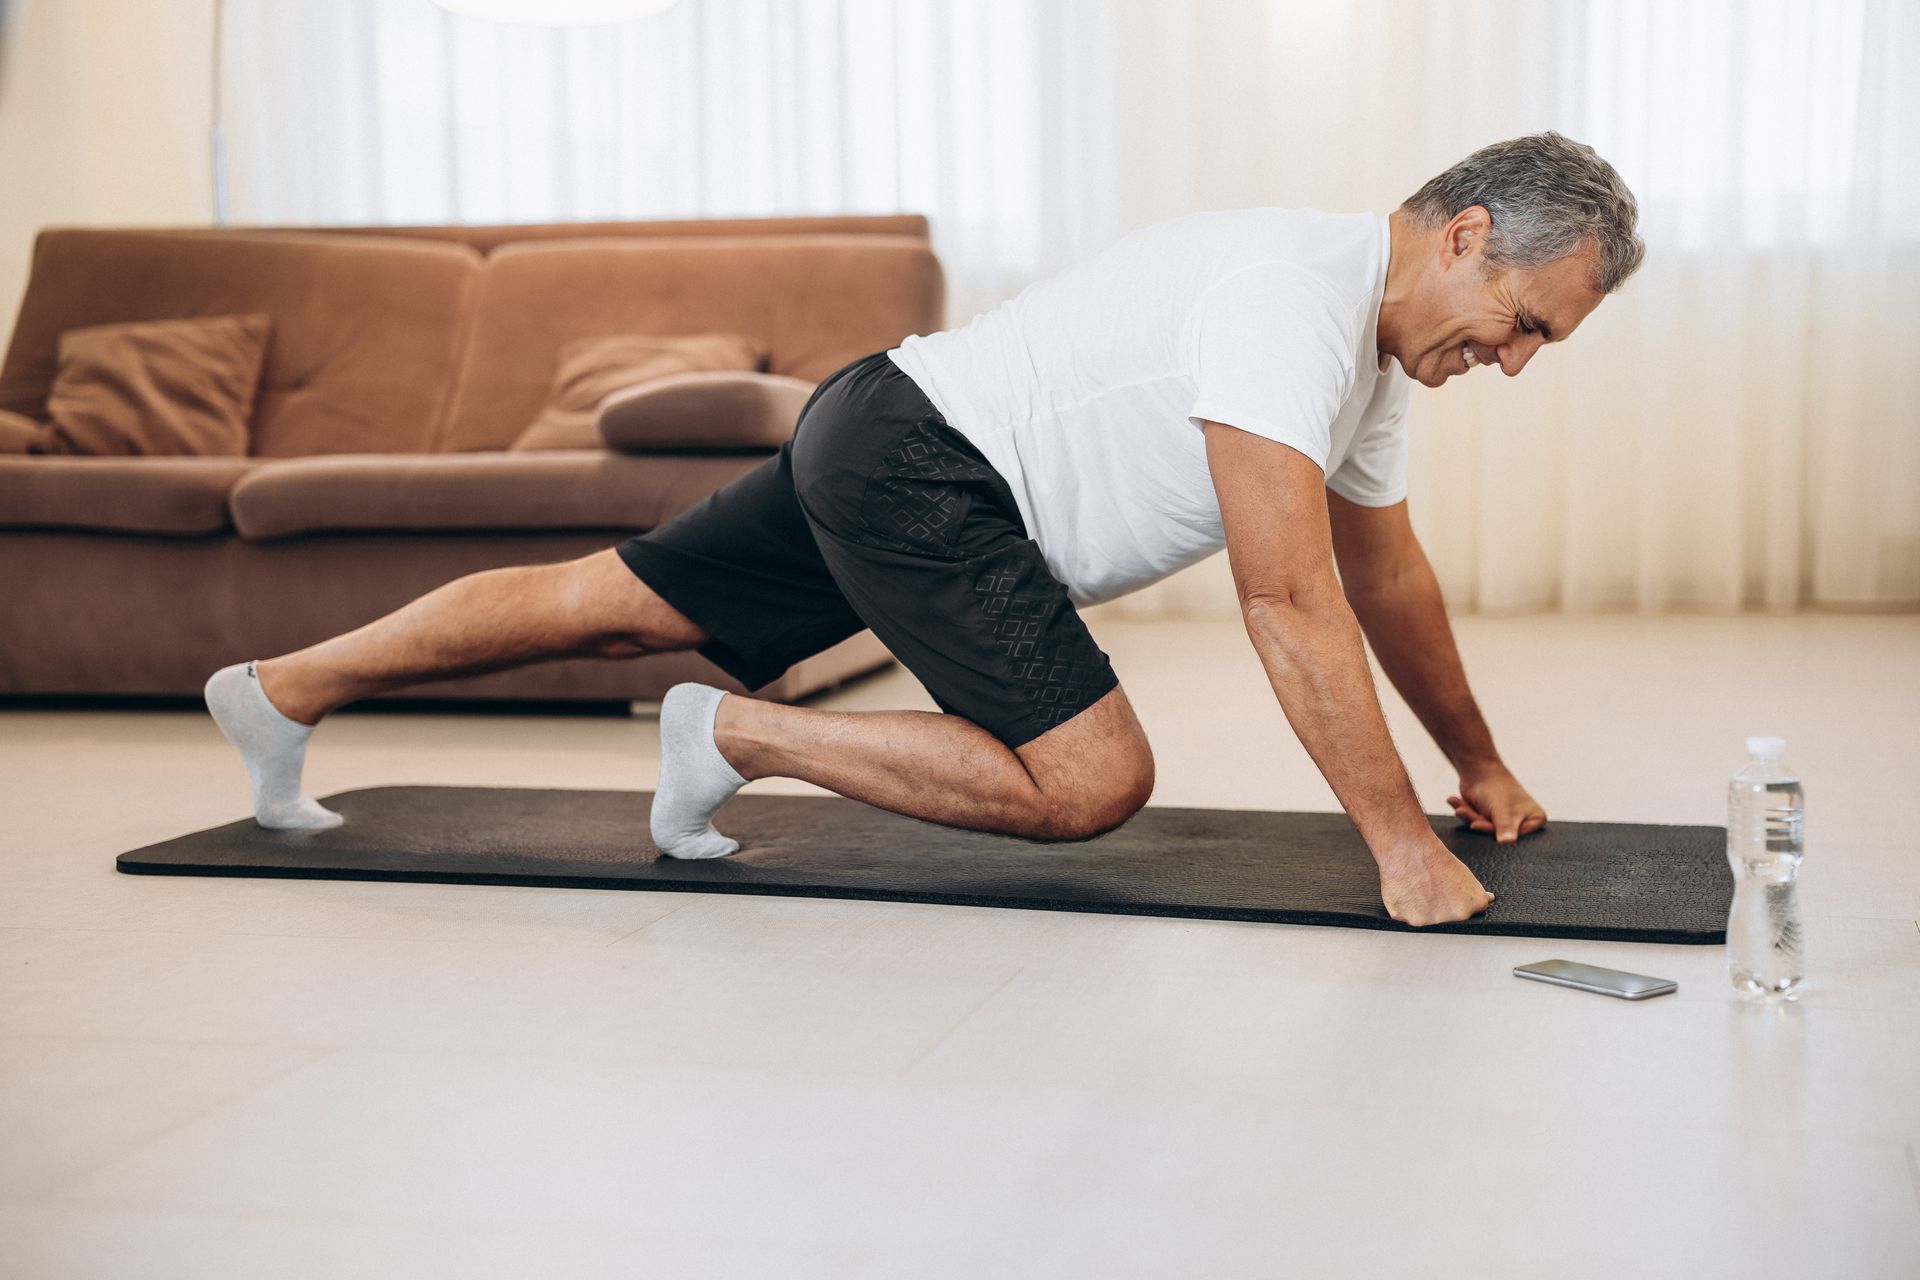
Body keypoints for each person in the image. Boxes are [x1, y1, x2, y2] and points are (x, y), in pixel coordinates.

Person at [203, 131, 1645, 928]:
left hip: (889, 424)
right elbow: (1289, 600)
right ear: (1462, 234)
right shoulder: (1291, 305)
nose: (1515, 362)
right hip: (928, 469)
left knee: (615, 596)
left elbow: (1382, 570)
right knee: (1089, 780)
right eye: (1524, 325)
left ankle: (280, 690)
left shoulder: (1360, 348)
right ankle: (733, 735)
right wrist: (1397, 845)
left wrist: (1479, 763)